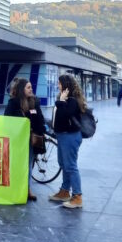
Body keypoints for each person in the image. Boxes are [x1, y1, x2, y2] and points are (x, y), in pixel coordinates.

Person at [47, 74, 85, 209]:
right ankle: (64, 191)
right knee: (63, 164)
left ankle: (77, 196)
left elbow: (65, 115)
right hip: (63, 136)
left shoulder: (72, 101)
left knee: (70, 166)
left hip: (70, 136)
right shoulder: (66, 99)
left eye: (59, 83)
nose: (58, 85)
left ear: (65, 85)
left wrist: (61, 101)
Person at [4, 78, 45, 202]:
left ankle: (27, 189)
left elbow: (40, 120)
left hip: (30, 140)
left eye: (31, 87)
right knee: (16, 164)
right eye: (28, 87)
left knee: (28, 165)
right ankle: (15, 188)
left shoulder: (34, 102)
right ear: (22, 89)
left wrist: (40, 129)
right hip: (17, 140)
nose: (31, 89)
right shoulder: (13, 103)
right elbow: (7, 120)